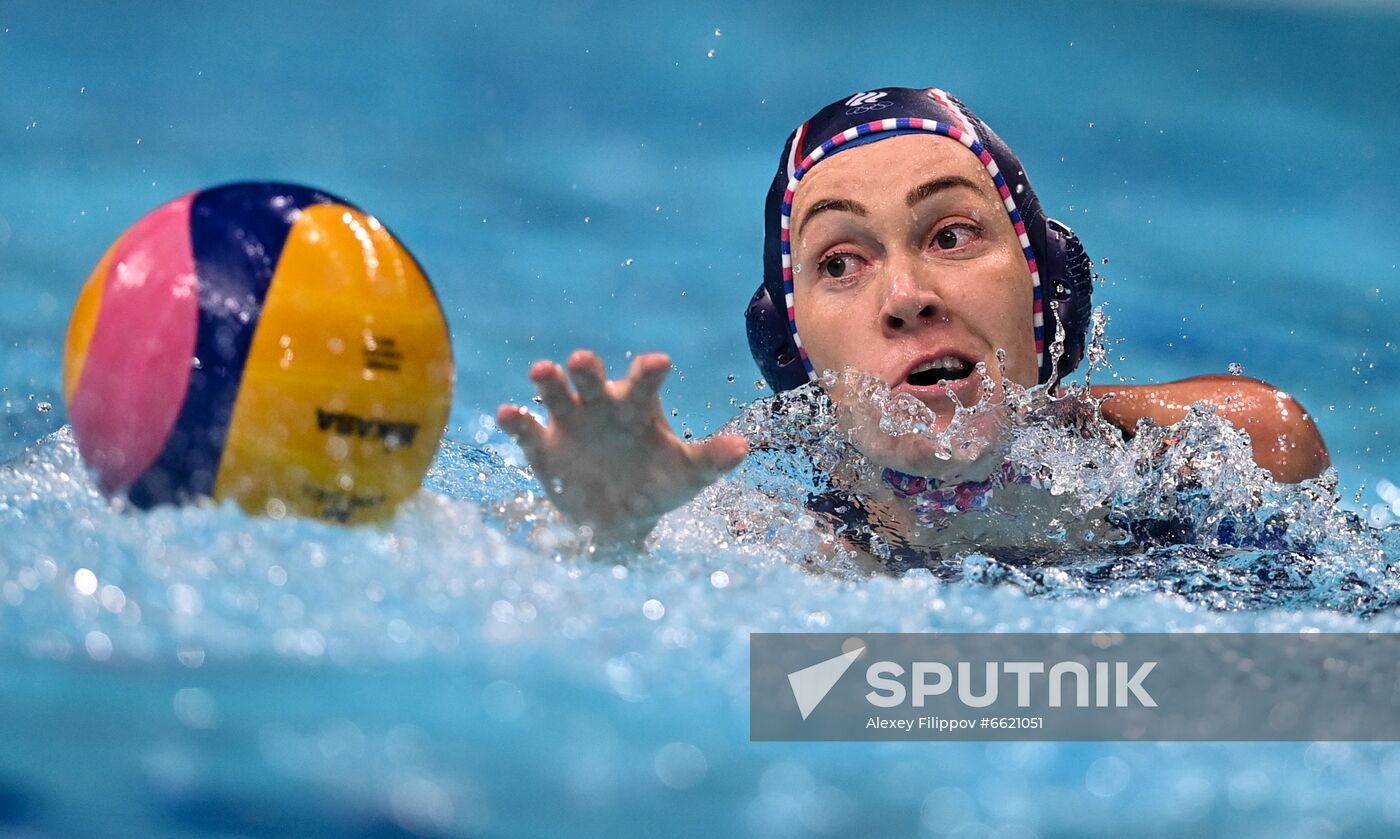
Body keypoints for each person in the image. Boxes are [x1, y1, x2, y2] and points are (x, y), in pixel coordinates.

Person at [496, 87, 1330, 558]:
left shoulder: (1214, 455)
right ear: (799, 358)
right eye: (840, 262)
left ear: (1047, 305)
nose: (905, 295)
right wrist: (611, 537)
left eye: (952, 234)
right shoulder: (774, 542)